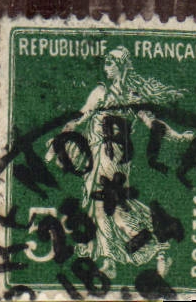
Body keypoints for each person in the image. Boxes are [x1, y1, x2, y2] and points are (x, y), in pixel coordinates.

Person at [60, 45, 187, 279]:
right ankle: (115, 258)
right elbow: (83, 114)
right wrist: (67, 128)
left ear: (121, 67)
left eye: (111, 63)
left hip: (116, 162)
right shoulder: (100, 92)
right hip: (97, 157)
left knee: (111, 208)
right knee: (106, 209)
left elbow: (152, 123)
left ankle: (153, 248)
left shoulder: (132, 97)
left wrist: (177, 136)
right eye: (105, 63)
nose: (106, 68)